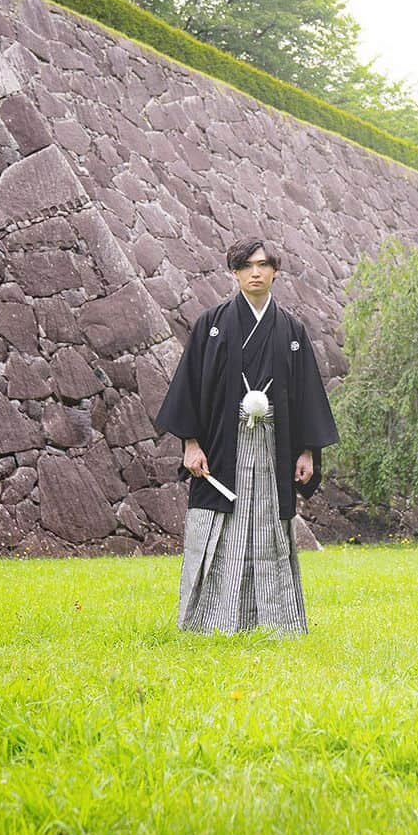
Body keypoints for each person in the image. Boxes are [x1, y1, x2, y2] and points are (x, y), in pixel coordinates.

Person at [155, 237, 339, 634]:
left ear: (275, 271)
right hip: (224, 444)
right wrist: (191, 444)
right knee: (220, 529)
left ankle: (278, 622)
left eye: (263, 265)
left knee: (270, 529)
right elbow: (190, 388)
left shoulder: (291, 329)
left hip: (275, 445)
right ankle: (210, 622)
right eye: (247, 266)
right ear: (234, 272)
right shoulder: (212, 325)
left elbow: (306, 393)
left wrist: (307, 451)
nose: (256, 272)